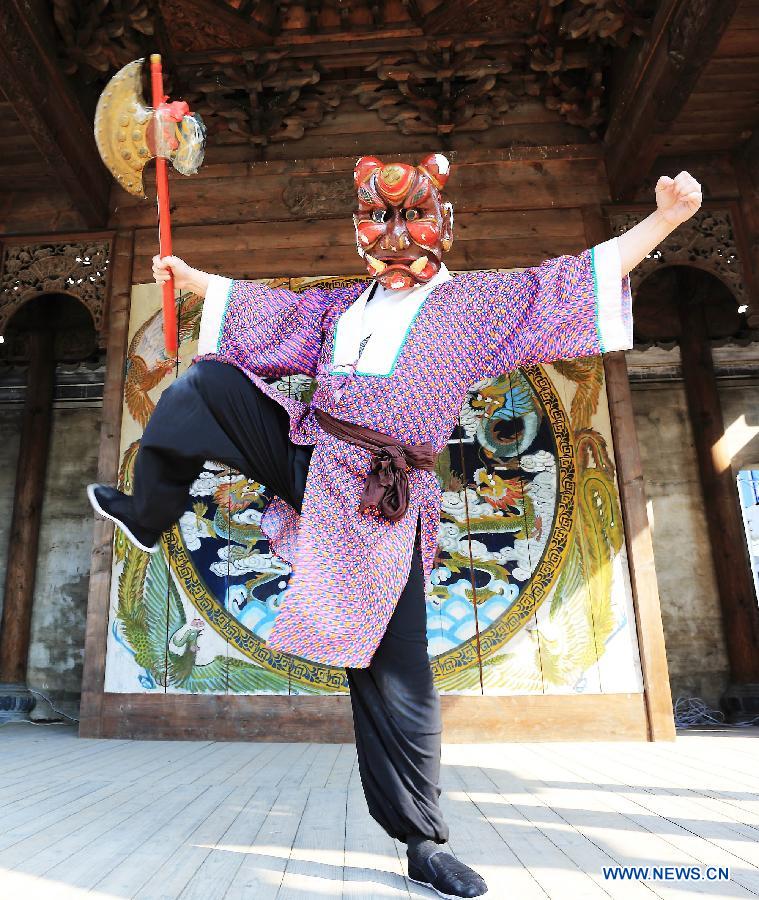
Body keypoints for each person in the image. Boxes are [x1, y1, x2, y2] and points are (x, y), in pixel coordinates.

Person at [88, 154, 701, 898]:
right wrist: (193, 281)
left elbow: (572, 278)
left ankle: (422, 841)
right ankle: (149, 515)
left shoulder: (478, 305)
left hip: (383, 496)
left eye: (412, 215)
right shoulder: (342, 308)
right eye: (378, 217)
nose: (396, 231)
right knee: (207, 386)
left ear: (444, 221)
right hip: (314, 454)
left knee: (394, 671)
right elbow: (273, 313)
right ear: (358, 230)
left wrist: (665, 219)